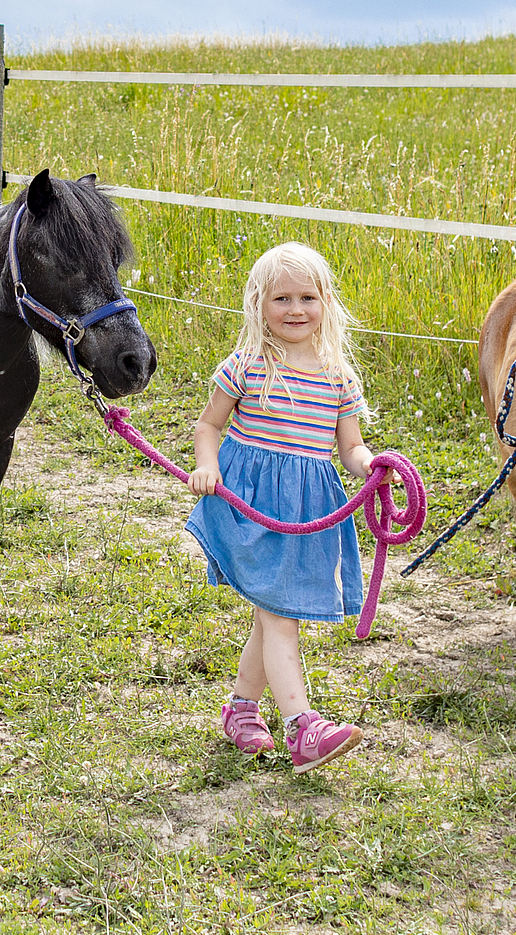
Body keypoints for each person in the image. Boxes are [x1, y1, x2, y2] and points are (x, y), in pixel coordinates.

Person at [185, 242, 380, 772]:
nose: (296, 310)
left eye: (308, 298)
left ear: (326, 303)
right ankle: (302, 726)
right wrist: (208, 465)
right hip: (251, 507)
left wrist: (370, 464)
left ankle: (242, 708)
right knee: (281, 617)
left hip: (307, 510)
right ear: (258, 305)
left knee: (272, 614)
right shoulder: (247, 365)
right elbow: (209, 425)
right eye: (282, 299)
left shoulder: (338, 375)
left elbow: (350, 446)